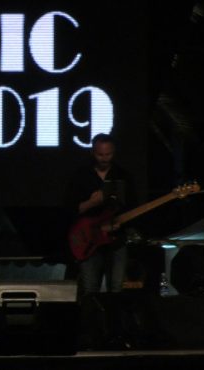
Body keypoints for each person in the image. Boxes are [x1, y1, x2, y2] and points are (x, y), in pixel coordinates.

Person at [64, 133, 139, 349]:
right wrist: (91, 202)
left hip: (116, 240)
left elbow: (133, 207)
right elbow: (70, 209)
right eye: (100, 154)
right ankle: (91, 336)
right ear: (92, 152)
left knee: (116, 288)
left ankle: (117, 335)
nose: (105, 158)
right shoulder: (81, 176)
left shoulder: (123, 176)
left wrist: (120, 223)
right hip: (90, 241)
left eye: (108, 154)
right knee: (90, 289)